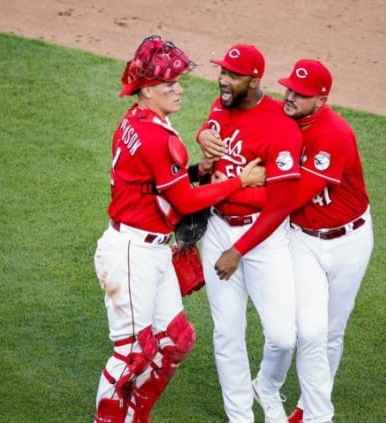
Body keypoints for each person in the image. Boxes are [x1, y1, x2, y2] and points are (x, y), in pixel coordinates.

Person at [92, 35, 265, 423]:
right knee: (132, 354)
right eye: (170, 85)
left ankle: (136, 414)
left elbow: (158, 186)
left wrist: (199, 172)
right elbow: (185, 202)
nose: (179, 89)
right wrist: (241, 182)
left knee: (175, 341)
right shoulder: (158, 138)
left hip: (148, 248)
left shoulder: (136, 121)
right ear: (148, 90)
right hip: (132, 254)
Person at [195, 44, 304, 423]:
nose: (223, 80)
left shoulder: (281, 127)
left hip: (261, 240)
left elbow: (280, 204)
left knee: (282, 337)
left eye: (233, 75)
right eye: (222, 72)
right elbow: (212, 124)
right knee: (227, 335)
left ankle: (267, 386)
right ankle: (239, 418)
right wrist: (202, 135)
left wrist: (238, 250)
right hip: (217, 230)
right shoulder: (220, 106)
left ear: (254, 80)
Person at [276, 59, 374, 423]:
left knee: (331, 332)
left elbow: (293, 196)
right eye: (288, 88)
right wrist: (207, 130)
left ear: (321, 99)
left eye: (300, 94)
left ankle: (307, 406)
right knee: (311, 331)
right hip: (302, 240)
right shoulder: (280, 117)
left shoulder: (334, 133)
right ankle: (321, 416)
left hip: (350, 240)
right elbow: (238, 103)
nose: (290, 96)